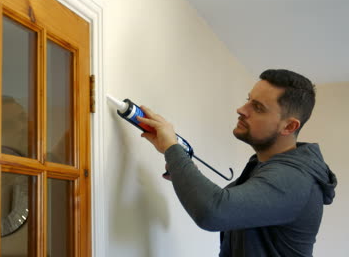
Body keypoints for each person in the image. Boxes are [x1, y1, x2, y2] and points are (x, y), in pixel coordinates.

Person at [137, 69, 337, 257]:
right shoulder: (264, 167)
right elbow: (229, 201)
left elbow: (214, 211)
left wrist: (172, 148)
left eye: (258, 107)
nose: (241, 109)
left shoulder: (295, 179)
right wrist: (183, 172)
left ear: (289, 126)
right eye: (248, 100)